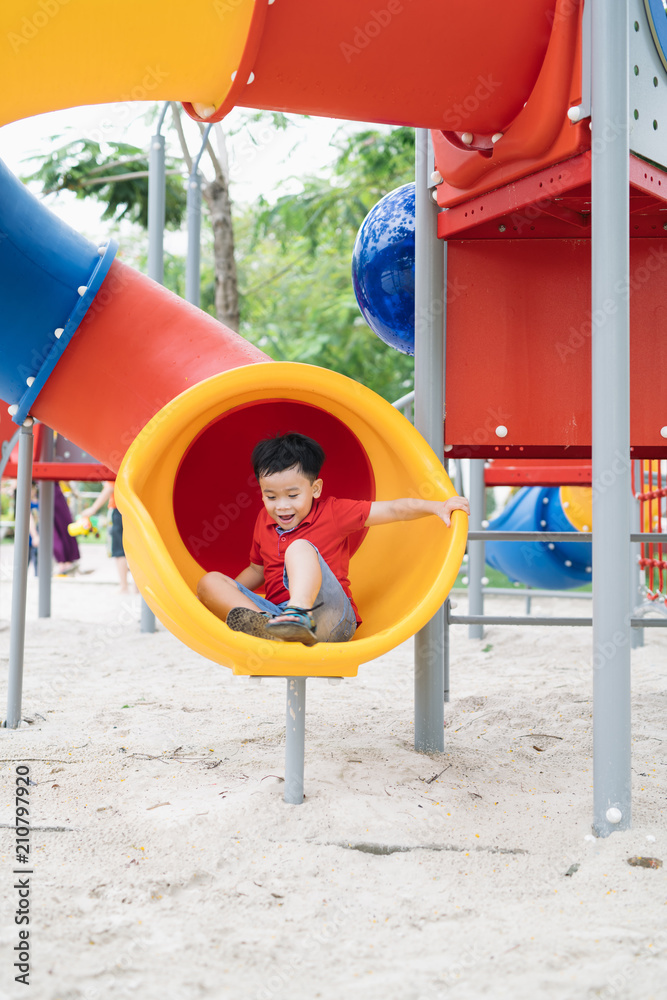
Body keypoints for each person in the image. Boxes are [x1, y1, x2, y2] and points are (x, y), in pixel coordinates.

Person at [197, 432, 470, 646]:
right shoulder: (263, 520)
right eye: (271, 497)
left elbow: (393, 509)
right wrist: (228, 593)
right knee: (210, 581)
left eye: (293, 496)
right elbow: (257, 570)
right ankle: (269, 627)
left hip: (330, 619)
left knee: (299, 547)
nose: (281, 506)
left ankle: (298, 615)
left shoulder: (334, 512)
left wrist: (436, 506)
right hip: (276, 614)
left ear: (315, 489)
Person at [79, 481, 131, 593]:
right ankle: (136, 588)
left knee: (119, 550)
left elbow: (110, 487)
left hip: (118, 509)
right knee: (135, 550)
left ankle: (124, 586)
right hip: (132, 508)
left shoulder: (115, 468)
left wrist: (93, 508)